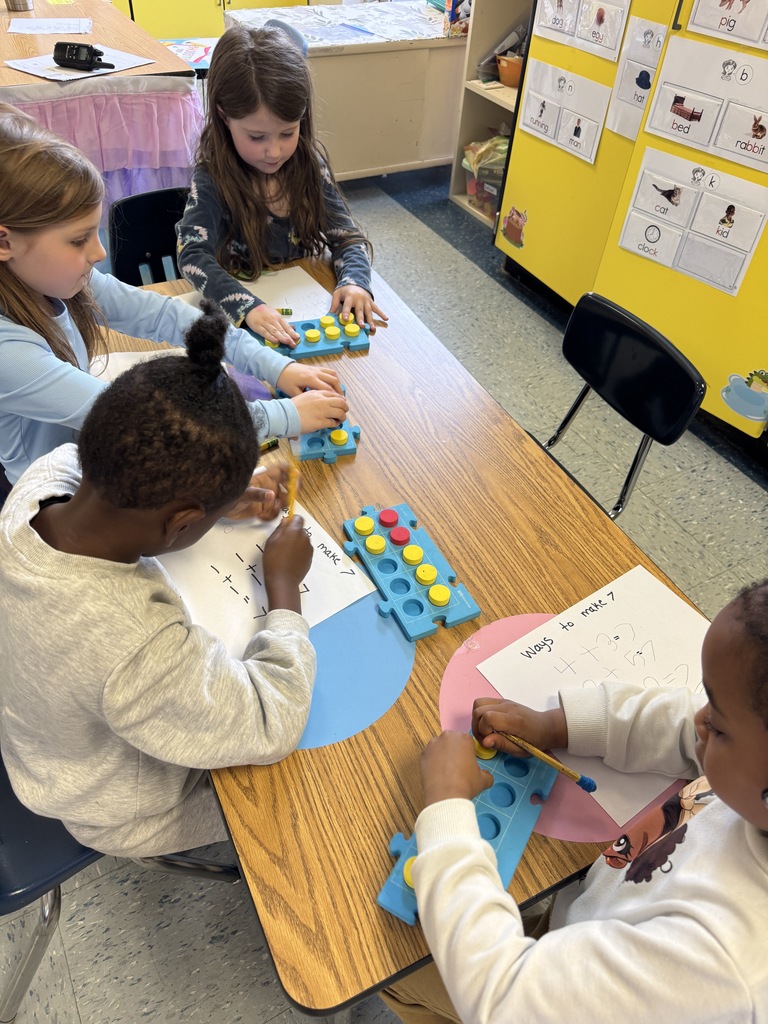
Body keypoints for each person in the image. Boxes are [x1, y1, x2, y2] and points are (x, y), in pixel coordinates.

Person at [0, 303, 317, 858]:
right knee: (315, 785)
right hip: (117, 808)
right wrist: (284, 587)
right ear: (181, 522)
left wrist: (214, 500)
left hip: (46, 739)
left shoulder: (37, 484)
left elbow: (95, 456)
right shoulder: (133, 644)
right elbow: (271, 721)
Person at [380, 580, 768, 1024]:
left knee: (393, 972)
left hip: (543, 992)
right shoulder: (753, 768)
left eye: (717, 726)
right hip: (587, 929)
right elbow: (680, 720)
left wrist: (447, 808)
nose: (699, 719)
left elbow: (504, 998)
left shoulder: (720, 967)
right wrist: (558, 726)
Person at [0, 101, 348, 487]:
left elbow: (169, 316)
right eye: (79, 239)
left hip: (95, 454)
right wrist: (284, 417)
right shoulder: (7, 353)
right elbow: (146, 422)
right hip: (52, 501)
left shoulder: (55, 280)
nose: (100, 255)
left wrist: (276, 366)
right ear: (5, 242)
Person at [175, 23, 388, 348]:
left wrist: (355, 283)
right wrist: (246, 307)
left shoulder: (309, 165)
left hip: (302, 310)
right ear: (223, 116)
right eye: (256, 137)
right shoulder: (213, 176)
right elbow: (192, 253)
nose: (274, 151)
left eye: (288, 132)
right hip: (244, 329)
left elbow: (347, 238)